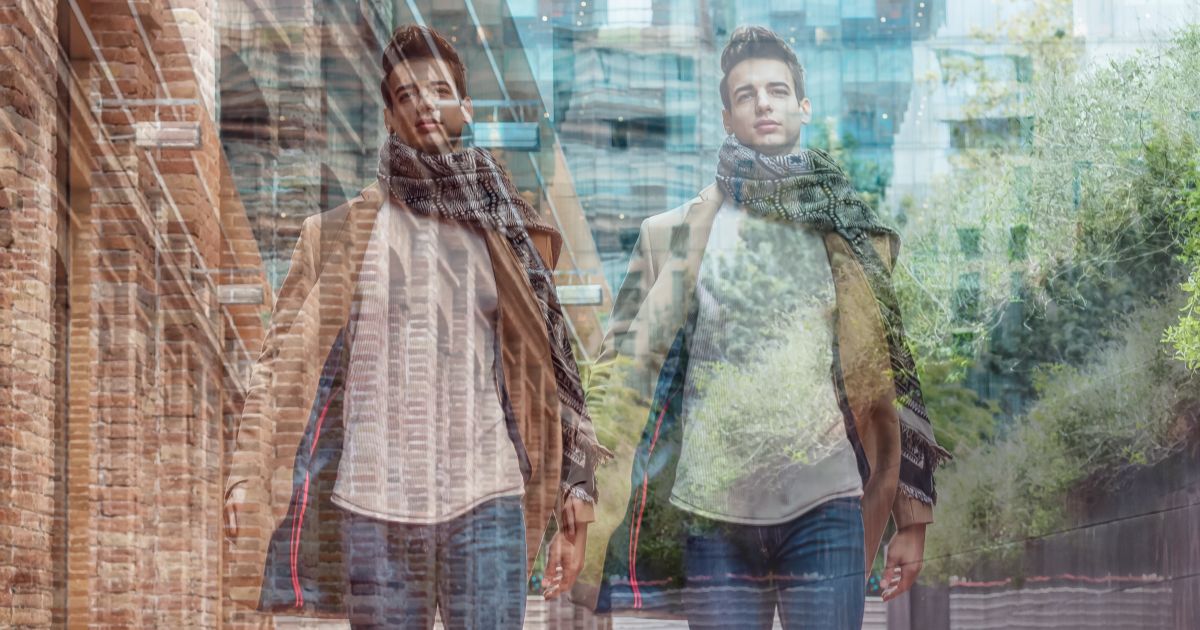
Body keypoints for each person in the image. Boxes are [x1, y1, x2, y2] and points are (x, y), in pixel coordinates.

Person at [222, 25, 608, 629]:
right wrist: (246, 471)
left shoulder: (508, 230)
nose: (424, 104)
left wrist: (577, 498)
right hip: (373, 507)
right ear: (388, 114)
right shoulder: (335, 235)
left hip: (487, 499)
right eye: (406, 94)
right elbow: (277, 368)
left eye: (437, 90)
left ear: (464, 106)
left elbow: (555, 374)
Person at [576, 26, 949, 629]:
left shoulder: (849, 233)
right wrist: (583, 496)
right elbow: (621, 370)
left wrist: (913, 520)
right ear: (727, 115)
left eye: (777, 90)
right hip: (712, 515)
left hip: (827, 506)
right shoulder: (669, 234)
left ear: (802, 105)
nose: (763, 103)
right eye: (746, 94)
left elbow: (891, 375)